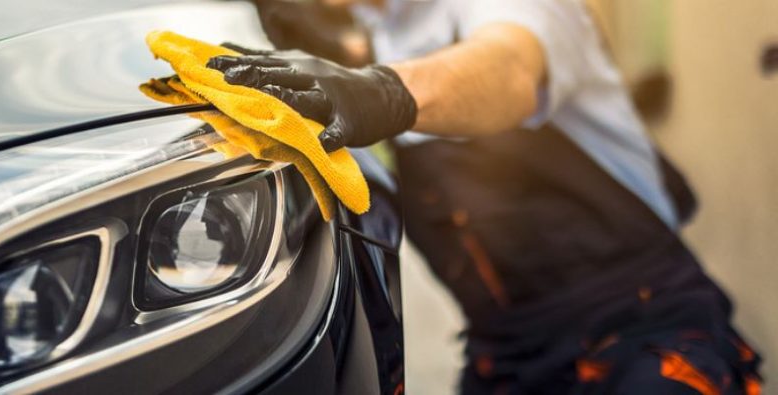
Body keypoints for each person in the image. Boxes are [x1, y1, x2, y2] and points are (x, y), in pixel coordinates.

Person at [207, 0, 763, 393]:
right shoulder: (377, 32)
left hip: (641, 329)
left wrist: (381, 91)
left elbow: (510, 69)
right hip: (508, 357)